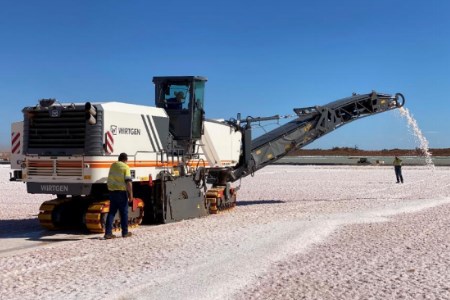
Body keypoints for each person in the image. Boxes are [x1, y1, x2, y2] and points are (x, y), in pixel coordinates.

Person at [104, 152, 134, 239]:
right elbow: (128, 182)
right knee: (124, 213)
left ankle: (108, 233)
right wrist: (131, 194)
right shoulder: (125, 167)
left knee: (111, 212)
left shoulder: (113, 165)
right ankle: (125, 232)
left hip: (112, 192)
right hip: (121, 192)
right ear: (126, 160)